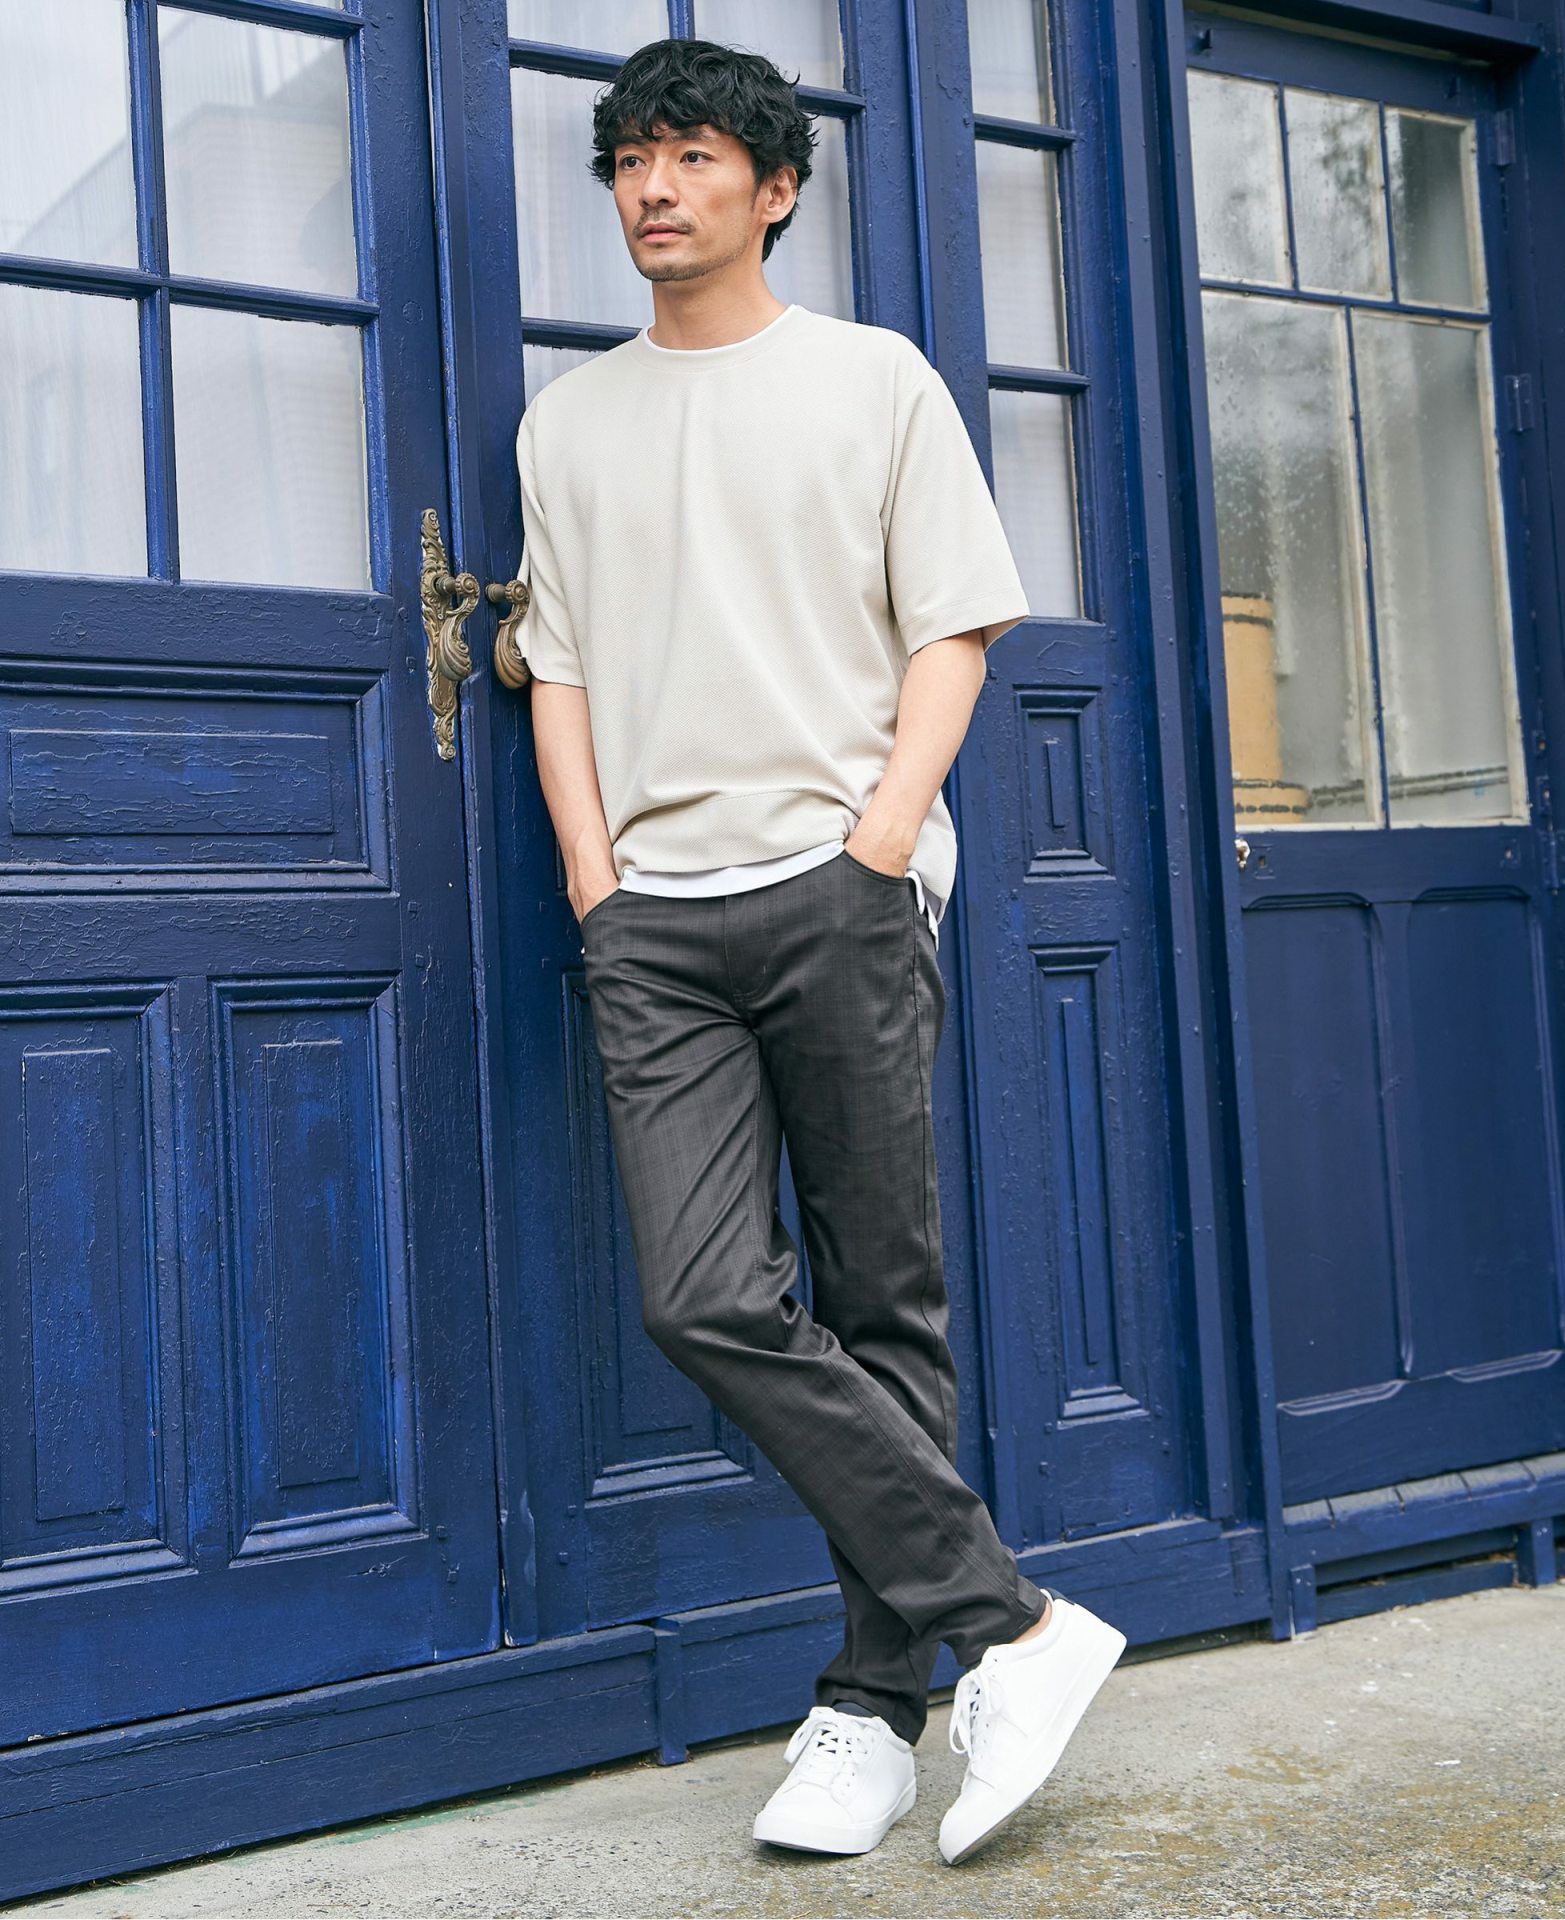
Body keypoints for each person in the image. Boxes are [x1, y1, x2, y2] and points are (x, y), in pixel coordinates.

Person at [513, 35, 1126, 1868]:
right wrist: (596, 879)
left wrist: (879, 842)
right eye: (632, 160)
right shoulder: (568, 422)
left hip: (837, 891)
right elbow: (560, 667)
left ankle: (868, 1712)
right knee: (702, 1295)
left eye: (695, 156)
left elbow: (957, 627)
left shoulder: (875, 381)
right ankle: (1015, 1625)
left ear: (775, 188)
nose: (654, 188)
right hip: (657, 922)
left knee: (882, 1305)